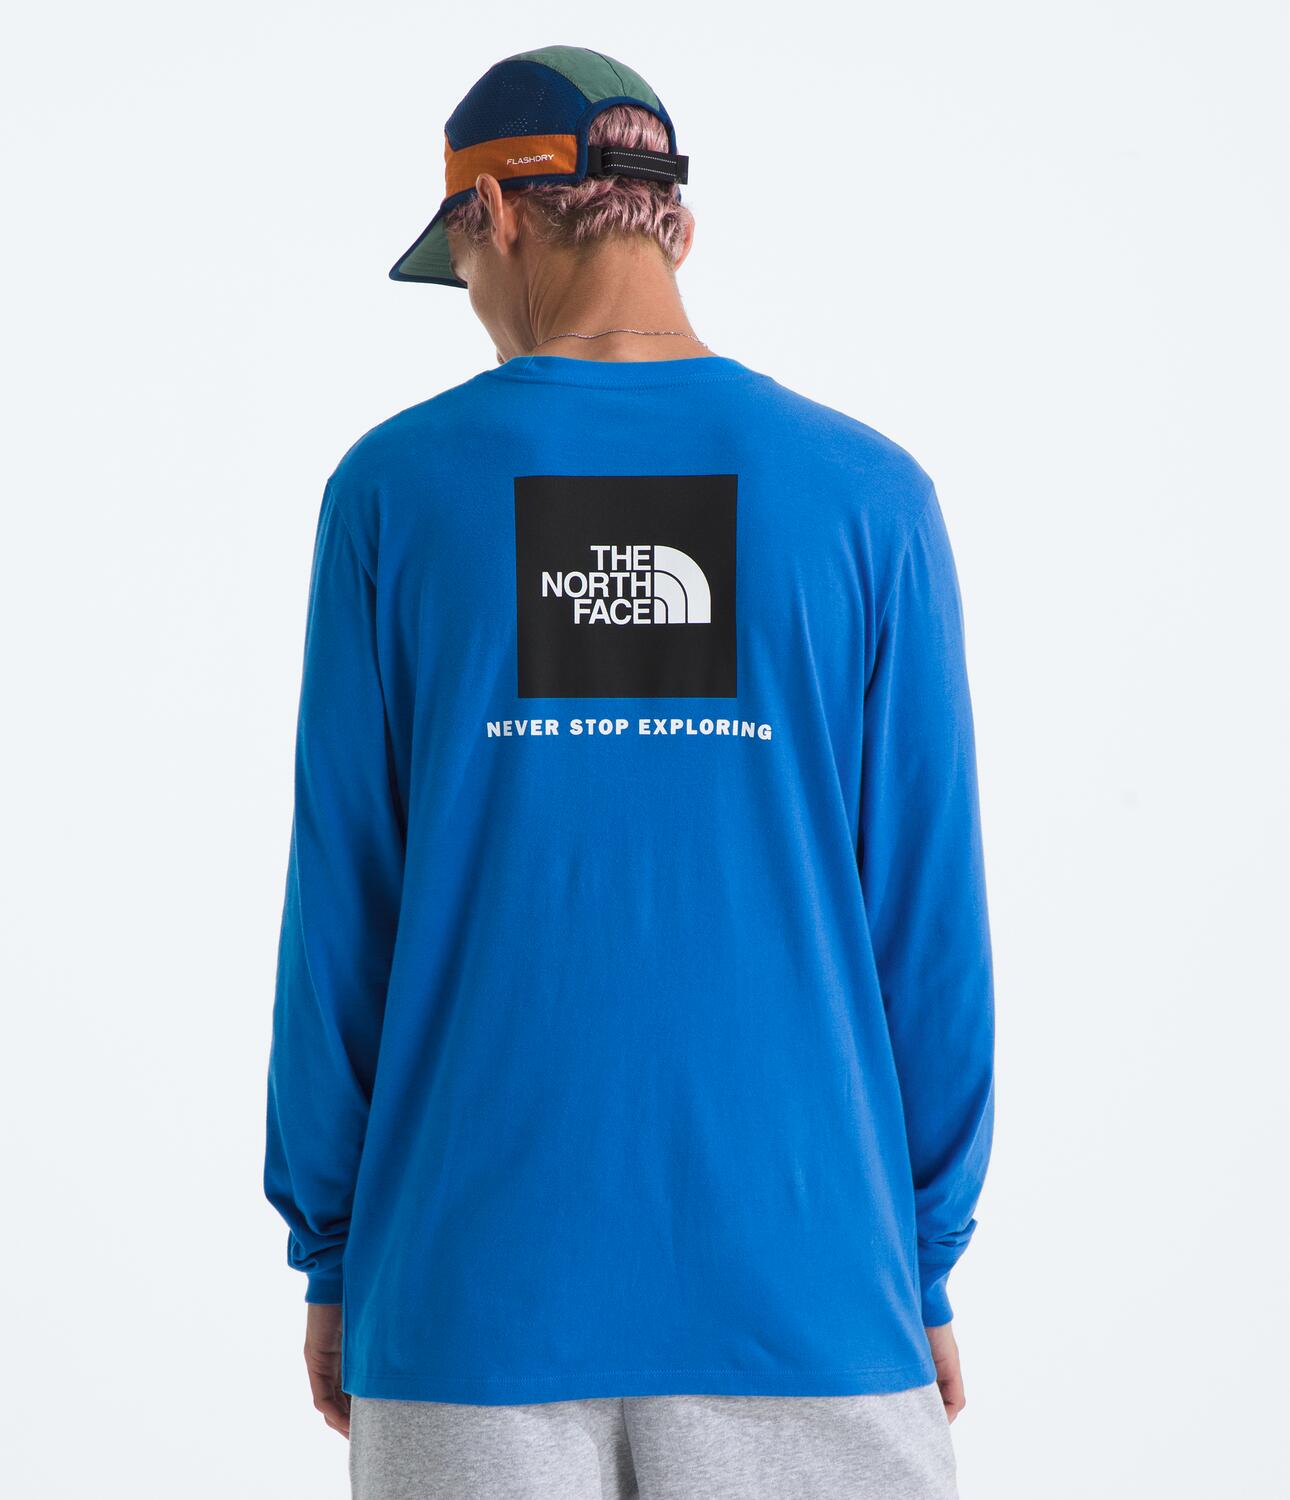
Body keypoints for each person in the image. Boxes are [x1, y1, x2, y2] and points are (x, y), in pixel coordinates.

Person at [264, 44, 995, 1500]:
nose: (477, 308)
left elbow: (342, 906)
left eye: (462, 269)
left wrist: (334, 1253)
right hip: (811, 1291)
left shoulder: (393, 492)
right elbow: (927, 923)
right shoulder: (867, 495)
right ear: (676, 228)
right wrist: (920, 1260)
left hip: (466, 1292)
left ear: (496, 217)